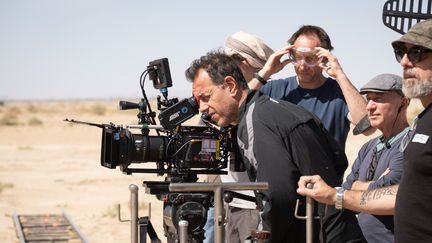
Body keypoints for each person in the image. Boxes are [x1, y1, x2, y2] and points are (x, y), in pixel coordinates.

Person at [186, 51, 365, 242]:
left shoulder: (257, 121)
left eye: (206, 97)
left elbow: (277, 196)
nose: (202, 108)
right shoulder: (274, 109)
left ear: (230, 85)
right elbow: (337, 159)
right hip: (336, 229)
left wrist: (259, 239)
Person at [297, 19, 432, 242]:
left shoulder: (407, 139)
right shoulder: (416, 127)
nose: (406, 61)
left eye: (418, 53)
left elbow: (392, 189)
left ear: (403, 102)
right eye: (401, 53)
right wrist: (342, 193)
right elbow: (398, 191)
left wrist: (340, 194)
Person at [249, 25, 370, 148]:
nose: (302, 66)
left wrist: (340, 75)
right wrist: (264, 73)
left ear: (323, 58)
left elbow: (367, 127)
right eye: (297, 57)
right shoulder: (274, 89)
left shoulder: (339, 93)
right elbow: (236, 110)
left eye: (310, 58)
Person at [342, 73, 409, 243]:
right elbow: (346, 190)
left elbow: (394, 188)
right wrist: (371, 186)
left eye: (378, 99)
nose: (369, 106)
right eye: (369, 99)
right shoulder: (368, 147)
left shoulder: (411, 143)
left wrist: (359, 187)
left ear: (404, 102)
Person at [222, 31, 274, 243]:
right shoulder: (225, 92)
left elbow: (235, 110)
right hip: (230, 202)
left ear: (250, 63)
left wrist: (262, 76)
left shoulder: (265, 97)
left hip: (252, 207)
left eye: (236, 59)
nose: (229, 66)